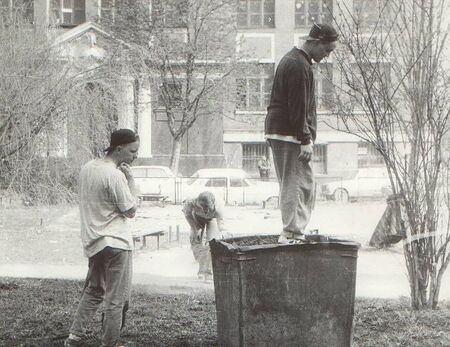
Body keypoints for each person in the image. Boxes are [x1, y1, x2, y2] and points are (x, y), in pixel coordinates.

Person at [65, 129, 140, 347]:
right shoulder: (115, 175)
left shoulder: (88, 168)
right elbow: (130, 210)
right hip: (117, 243)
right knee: (116, 298)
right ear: (118, 149)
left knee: (94, 290)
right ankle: (110, 343)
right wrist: (131, 180)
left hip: (94, 241)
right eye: (132, 151)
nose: (134, 156)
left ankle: (74, 337)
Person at [264, 23, 338, 244]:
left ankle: (292, 232)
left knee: (294, 182)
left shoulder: (294, 60)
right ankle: (293, 234)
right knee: (299, 184)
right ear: (315, 42)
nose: (327, 56)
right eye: (327, 50)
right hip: (291, 135)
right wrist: (305, 139)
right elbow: (298, 106)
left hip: (282, 132)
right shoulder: (299, 65)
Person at [182, 191, 225, 281]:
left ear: (213, 204)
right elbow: (187, 215)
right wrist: (194, 228)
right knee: (195, 240)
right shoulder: (190, 201)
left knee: (211, 243)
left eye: (208, 207)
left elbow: (221, 224)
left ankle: (207, 271)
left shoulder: (219, 205)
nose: (205, 210)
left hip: (211, 219)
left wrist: (222, 233)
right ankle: (200, 262)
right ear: (197, 202)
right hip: (197, 218)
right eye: (203, 207)